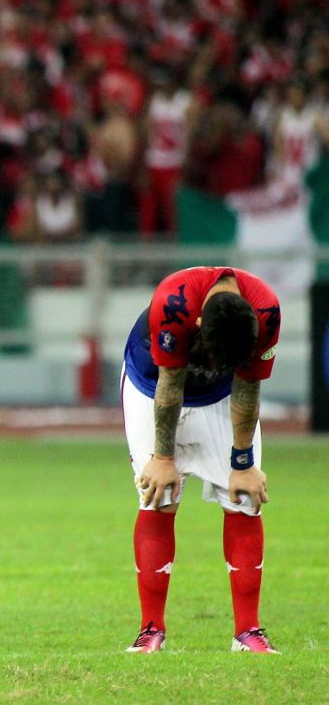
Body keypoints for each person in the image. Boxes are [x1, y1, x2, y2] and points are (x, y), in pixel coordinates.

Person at [121, 266, 282, 654]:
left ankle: (248, 632)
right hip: (153, 384)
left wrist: (242, 462)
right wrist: (163, 457)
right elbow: (169, 385)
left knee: (244, 499)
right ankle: (150, 630)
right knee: (158, 496)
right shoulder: (173, 302)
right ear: (197, 324)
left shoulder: (267, 312)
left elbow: (248, 385)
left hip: (223, 395)